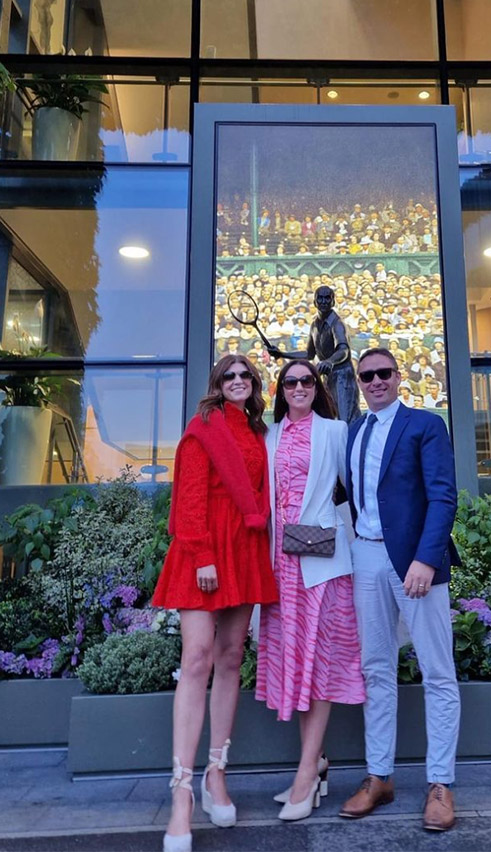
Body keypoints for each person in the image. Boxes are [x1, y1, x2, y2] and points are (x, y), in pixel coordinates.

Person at [153, 355, 277, 852]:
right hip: (203, 551)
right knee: (198, 657)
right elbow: (188, 497)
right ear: (217, 384)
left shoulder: (258, 433)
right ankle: (181, 792)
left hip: (244, 551)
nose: (238, 382)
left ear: (254, 385)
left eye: (246, 376)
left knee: (230, 659)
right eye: (230, 376)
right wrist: (203, 553)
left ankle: (215, 775)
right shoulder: (202, 426)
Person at [340, 348, 461, 832]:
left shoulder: (425, 425)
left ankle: (440, 784)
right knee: (376, 670)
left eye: (383, 373)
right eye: (366, 376)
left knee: (437, 671)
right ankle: (379, 776)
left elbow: (442, 495)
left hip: (416, 563)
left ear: (398, 377)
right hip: (364, 555)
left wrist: (426, 559)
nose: (374, 382)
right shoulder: (354, 431)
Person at [256, 360, 365, 821]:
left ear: (315, 388)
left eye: (306, 381)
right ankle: (315, 764)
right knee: (297, 663)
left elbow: (358, 491)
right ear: (281, 390)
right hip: (281, 565)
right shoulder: (269, 436)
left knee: (317, 663)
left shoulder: (336, 431)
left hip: (321, 564)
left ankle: (305, 774)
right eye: (290, 382)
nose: (298, 387)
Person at [267, 285, 361, 425]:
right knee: (329, 417)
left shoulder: (337, 324)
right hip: (328, 376)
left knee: (345, 420)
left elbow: (343, 350)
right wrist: (282, 354)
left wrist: (329, 361)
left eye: (327, 298)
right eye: (320, 298)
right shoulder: (315, 325)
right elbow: (309, 353)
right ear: (315, 301)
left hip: (342, 376)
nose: (323, 302)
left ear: (333, 301)